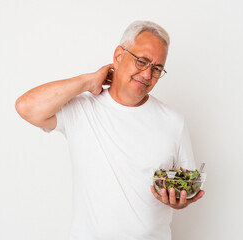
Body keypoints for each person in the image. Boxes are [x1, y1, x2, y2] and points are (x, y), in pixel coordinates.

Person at [15, 20, 205, 240]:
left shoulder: (174, 122)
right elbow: (26, 107)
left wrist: (181, 202)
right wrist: (88, 81)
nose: (147, 74)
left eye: (157, 69)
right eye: (142, 61)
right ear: (118, 56)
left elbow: (187, 185)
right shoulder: (83, 109)